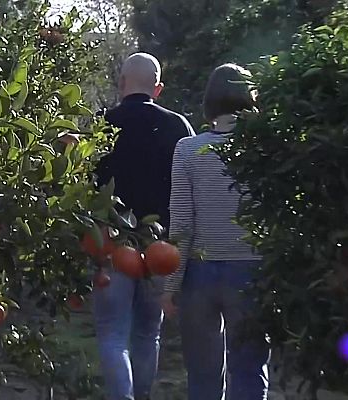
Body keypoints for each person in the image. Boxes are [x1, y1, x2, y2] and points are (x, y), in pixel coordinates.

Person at [161, 63, 270, 400]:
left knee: (203, 377)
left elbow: (181, 222)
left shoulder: (187, 149)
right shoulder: (266, 148)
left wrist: (171, 284)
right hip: (252, 270)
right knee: (250, 372)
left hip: (200, 273)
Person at [93, 52, 195, 400]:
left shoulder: (101, 124)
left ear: (121, 84)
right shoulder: (178, 127)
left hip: (111, 243)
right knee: (147, 332)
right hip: (160, 247)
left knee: (111, 332)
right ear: (158, 88)